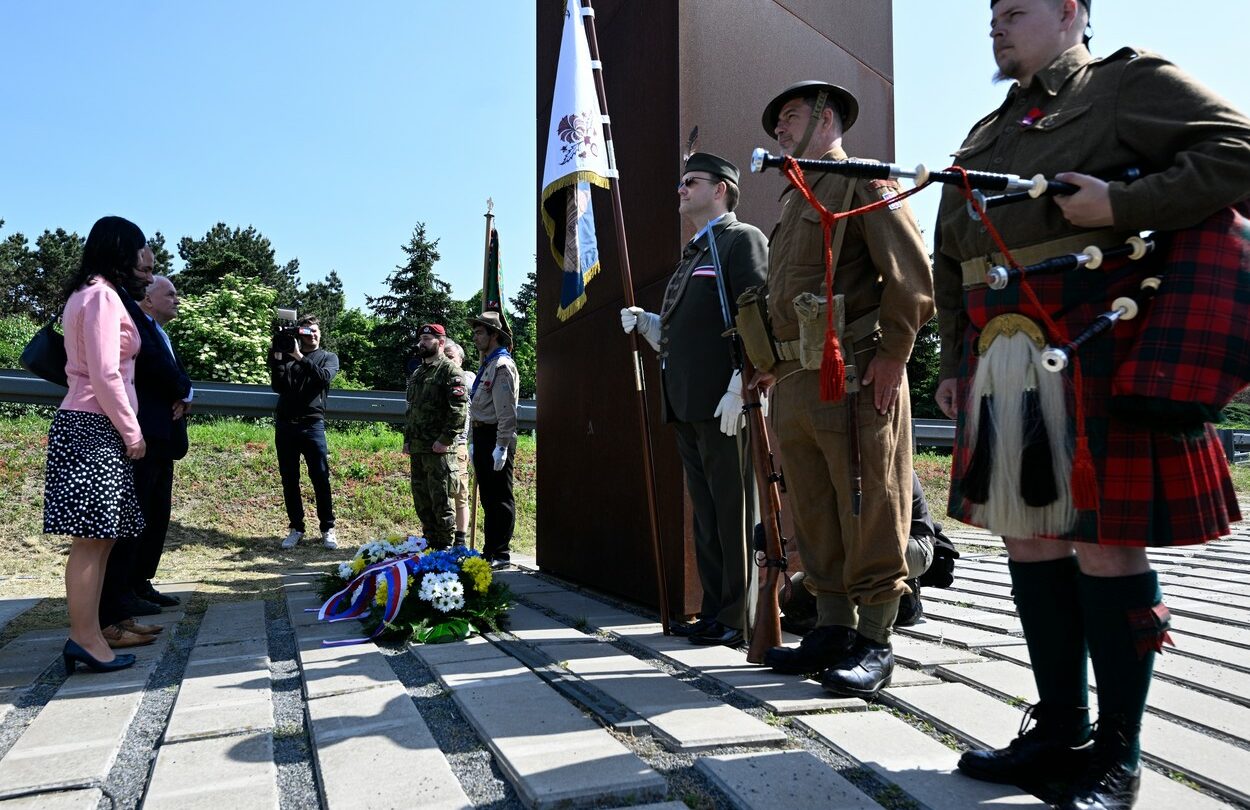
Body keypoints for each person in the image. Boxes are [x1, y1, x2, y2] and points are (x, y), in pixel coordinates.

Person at [933, 2, 1250, 807]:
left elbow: (1239, 153)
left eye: (1014, 12)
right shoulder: (985, 130)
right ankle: (1059, 732)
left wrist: (1123, 206)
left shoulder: (1123, 86)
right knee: (1029, 540)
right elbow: (952, 254)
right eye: (990, 16)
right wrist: (956, 357)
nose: (995, 28)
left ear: (1072, 13)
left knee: (1108, 546)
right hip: (1001, 349)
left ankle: (1120, 751)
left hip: (1095, 341)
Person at [751, 81, 935, 699]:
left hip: (855, 374)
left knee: (869, 501)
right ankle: (831, 627)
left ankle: (876, 636)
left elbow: (909, 275)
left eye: (791, 114)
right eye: (776, 119)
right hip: (800, 381)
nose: (779, 127)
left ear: (827, 118)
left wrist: (893, 356)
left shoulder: (863, 180)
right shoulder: (792, 197)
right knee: (815, 509)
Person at [620, 152, 767, 647]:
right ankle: (714, 609)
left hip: (724, 402)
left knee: (732, 512)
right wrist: (648, 324)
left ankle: (739, 615)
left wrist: (741, 385)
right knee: (707, 515)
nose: (681, 189)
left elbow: (756, 315)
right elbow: (685, 334)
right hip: (686, 403)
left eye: (691, 182)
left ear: (721, 188)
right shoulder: (694, 253)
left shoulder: (739, 240)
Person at [43, 216, 149, 674]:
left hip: (87, 422)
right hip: (94, 424)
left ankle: (87, 634)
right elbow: (106, 374)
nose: (147, 256)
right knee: (91, 540)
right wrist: (132, 430)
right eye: (141, 247)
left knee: (99, 539)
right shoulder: (103, 296)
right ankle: (85, 637)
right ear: (121, 249)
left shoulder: (86, 293)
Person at [97, 270, 191, 647]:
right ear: (148, 299)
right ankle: (122, 595)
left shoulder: (160, 331)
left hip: (163, 438)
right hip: (143, 434)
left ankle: (140, 583)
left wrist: (186, 394)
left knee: (155, 515)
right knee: (134, 517)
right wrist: (182, 389)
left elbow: (176, 372)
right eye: (169, 293)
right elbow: (157, 369)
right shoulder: (137, 325)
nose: (177, 298)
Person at [270, 314, 339, 550]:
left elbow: (323, 378)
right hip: (286, 424)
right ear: (300, 334)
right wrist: (279, 356)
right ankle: (296, 527)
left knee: (320, 477)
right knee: (289, 478)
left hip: (312, 425)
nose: (314, 334)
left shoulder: (328, 357)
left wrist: (299, 357)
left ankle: (327, 528)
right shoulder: (287, 354)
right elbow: (278, 386)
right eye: (308, 331)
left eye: (316, 330)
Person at [404, 324, 469, 550]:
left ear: (441, 343)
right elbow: (412, 409)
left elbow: (458, 410)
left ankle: (444, 548)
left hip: (439, 450)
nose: (421, 343)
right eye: (421, 338)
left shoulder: (450, 371)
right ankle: (430, 542)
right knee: (422, 501)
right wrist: (407, 440)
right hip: (419, 448)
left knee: (441, 501)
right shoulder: (418, 373)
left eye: (427, 339)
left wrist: (445, 439)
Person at [467, 312, 520, 569]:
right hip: (482, 433)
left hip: (496, 435)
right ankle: (490, 550)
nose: (475, 337)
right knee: (488, 496)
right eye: (475, 332)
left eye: (480, 333)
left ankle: (501, 553)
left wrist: (501, 445)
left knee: (500, 495)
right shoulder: (487, 363)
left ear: (494, 335)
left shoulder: (501, 365)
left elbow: (506, 411)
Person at [443, 339, 475, 547]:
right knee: (439, 494)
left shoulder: (468, 378)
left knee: (460, 493)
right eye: (444, 355)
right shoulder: (434, 377)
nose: (447, 360)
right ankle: (441, 536)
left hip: (458, 444)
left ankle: (460, 540)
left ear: (461, 360)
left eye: (451, 356)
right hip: (436, 444)